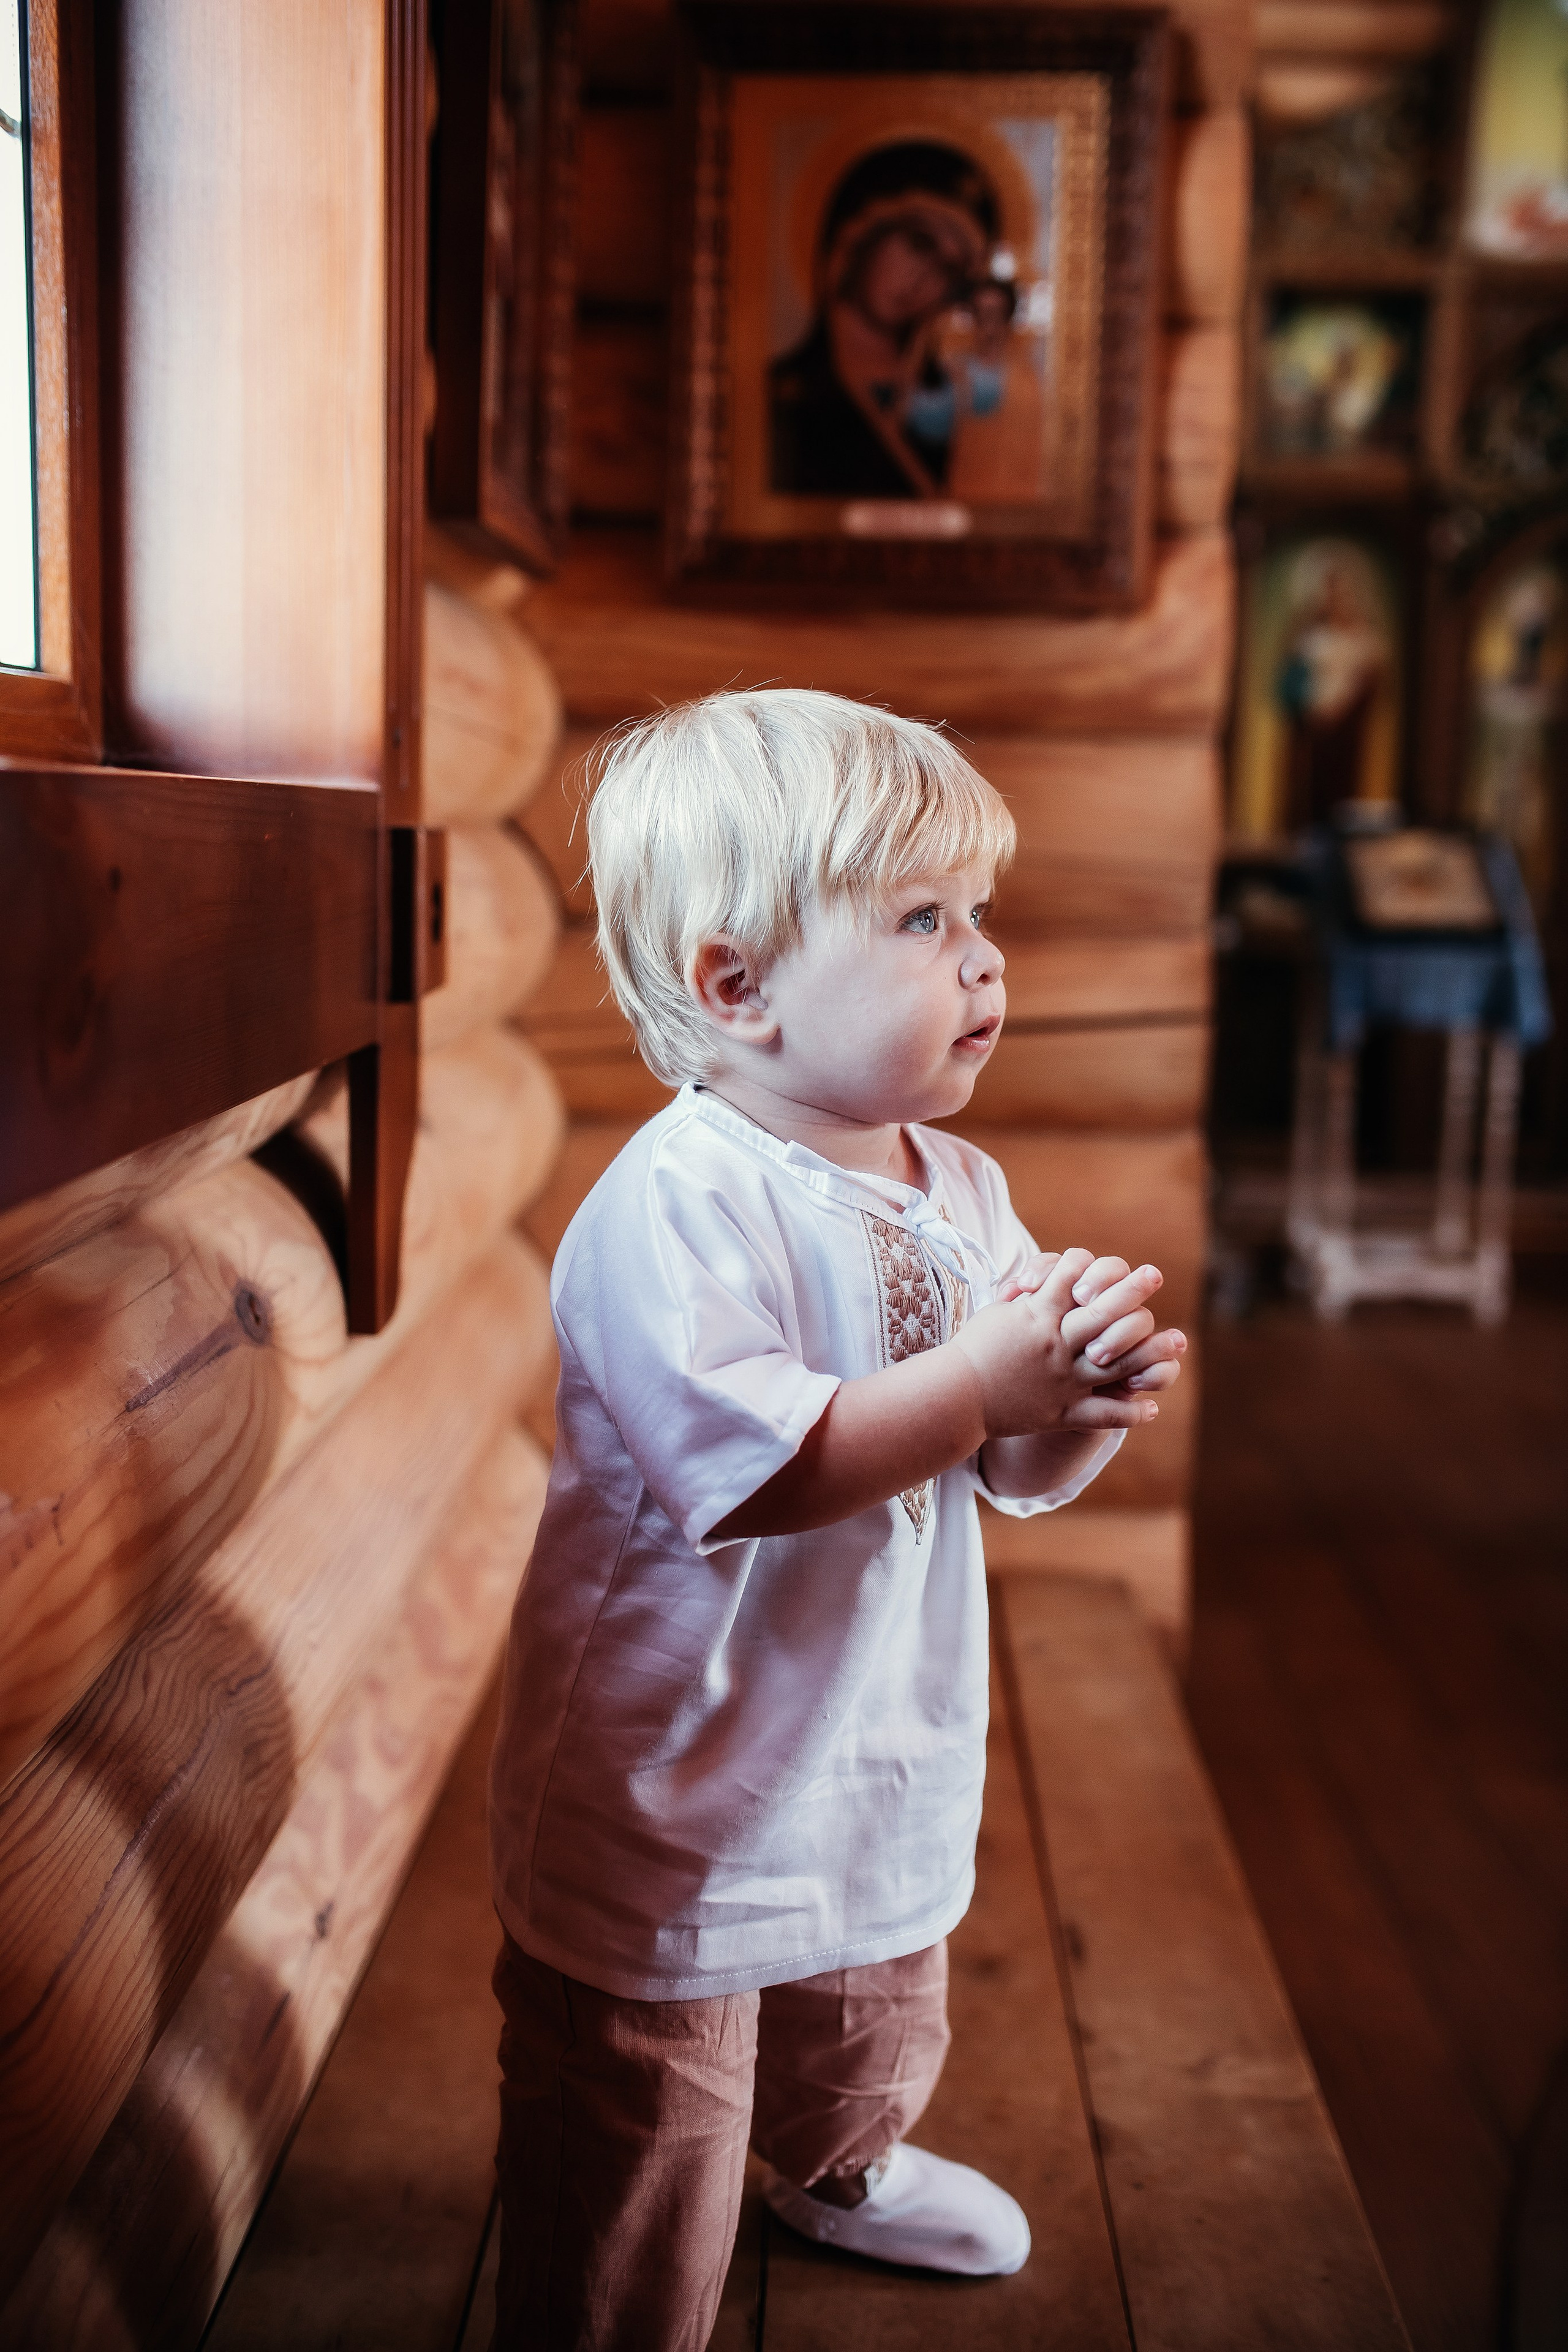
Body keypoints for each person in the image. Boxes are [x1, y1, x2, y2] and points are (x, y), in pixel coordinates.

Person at [486, 689, 1187, 2350]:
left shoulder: (960, 1187)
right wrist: (982, 1384)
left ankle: (838, 2165)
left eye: (983, 915)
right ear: (738, 984)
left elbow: (992, 1467)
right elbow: (768, 1469)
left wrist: (1068, 1398)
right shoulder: (679, 1200)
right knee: (649, 2089)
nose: (984, 961)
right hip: (685, 1754)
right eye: (925, 920)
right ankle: (612, 2307)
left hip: (879, 1719)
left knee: (869, 1983)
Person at [769, 142, 999, 497]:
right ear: (857, 236)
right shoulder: (782, 395)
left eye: (949, 271)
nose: (926, 278)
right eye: (920, 244)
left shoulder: (954, 399)